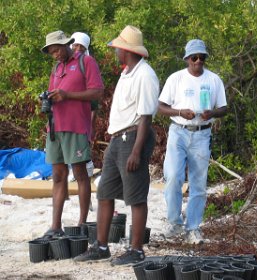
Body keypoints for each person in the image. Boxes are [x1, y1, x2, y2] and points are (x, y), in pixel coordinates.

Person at [74, 25, 159, 265]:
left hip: (132, 138)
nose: (115, 52)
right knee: (104, 192)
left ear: (127, 50)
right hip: (117, 138)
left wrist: (136, 151)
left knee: (136, 196)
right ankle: (101, 246)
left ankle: (136, 249)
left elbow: (146, 117)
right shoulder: (127, 72)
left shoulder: (145, 74)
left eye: (117, 48)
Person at [158, 39, 227, 244]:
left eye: (202, 57)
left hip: (202, 133)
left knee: (198, 182)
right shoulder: (176, 79)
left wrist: (211, 113)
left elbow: (223, 108)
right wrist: (180, 112)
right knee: (173, 177)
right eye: (194, 57)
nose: (198, 61)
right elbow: (161, 106)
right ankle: (174, 222)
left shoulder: (214, 80)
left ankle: (193, 227)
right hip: (178, 131)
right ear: (187, 59)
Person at [41, 30, 104, 237]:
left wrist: (68, 95)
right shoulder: (56, 68)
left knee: (80, 174)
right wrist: (46, 100)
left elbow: (97, 92)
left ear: (67, 44)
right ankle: (55, 226)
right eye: (51, 52)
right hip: (55, 128)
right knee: (58, 176)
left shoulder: (86, 62)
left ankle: (82, 223)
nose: (55, 55)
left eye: (57, 50)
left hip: (76, 126)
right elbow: (54, 93)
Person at [71, 32, 99, 142]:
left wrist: (91, 127)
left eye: (82, 47)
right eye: (75, 45)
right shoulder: (60, 65)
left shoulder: (88, 65)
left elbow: (94, 102)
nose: (78, 49)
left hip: (81, 122)